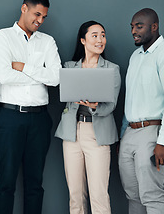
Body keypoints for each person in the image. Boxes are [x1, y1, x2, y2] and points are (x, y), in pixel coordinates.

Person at [0, 0, 61, 214]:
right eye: (36, 14)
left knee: (35, 184)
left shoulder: (47, 41)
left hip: (40, 119)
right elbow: (3, 75)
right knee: (5, 183)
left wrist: (23, 67)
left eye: (43, 17)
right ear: (24, 8)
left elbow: (56, 78)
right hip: (10, 118)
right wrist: (39, 74)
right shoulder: (3, 36)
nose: (39, 21)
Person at [118, 8, 164, 214]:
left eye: (139, 26)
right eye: (132, 27)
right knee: (133, 195)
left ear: (154, 27)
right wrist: (123, 136)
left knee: (152, 195)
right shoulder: (136, 56)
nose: (133, 31)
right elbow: (131, 99)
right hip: (130, 133)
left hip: (153, 132)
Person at [55, 21, 121, 214]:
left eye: (103, 35)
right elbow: (65, 98)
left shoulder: (112, 69)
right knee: (75, 195)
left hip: (97, 135)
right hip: (72, 133)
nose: (100, 40)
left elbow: (111, 105)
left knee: (98, 195)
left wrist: (95, 107)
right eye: (94, 35)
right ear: (83, 40)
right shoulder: (69, 67)